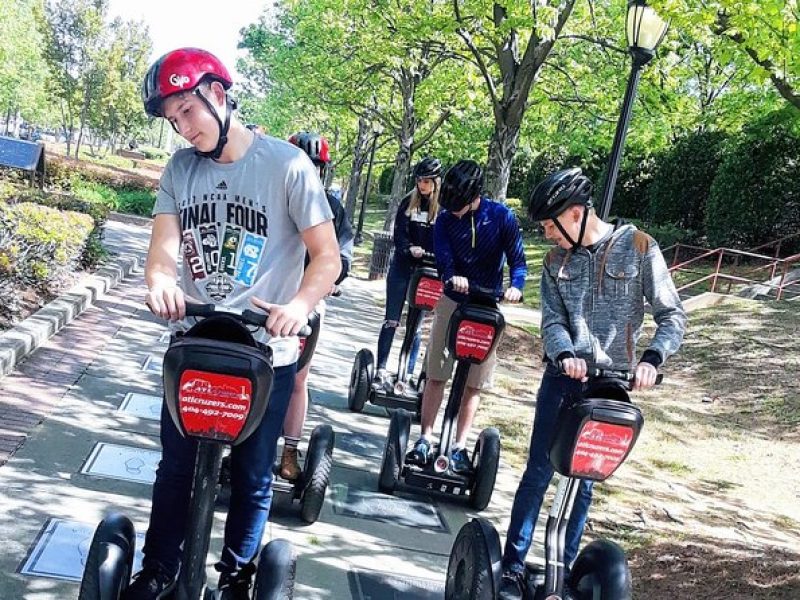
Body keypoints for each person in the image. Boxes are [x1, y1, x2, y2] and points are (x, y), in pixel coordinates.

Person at [128, 48, 340, 600]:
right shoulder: (180, 169)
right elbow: (161, 252)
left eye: (187, 112)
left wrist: (299, 306)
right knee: (175, 468)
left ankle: (240, 575)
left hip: (266, 346)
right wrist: (161, 284)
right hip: (196, 342)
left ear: (218, 96)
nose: (182, 128)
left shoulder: (288, 167)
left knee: (252, 472)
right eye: (172, 119)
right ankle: (158, 571)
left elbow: (327, 258)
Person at [497, 167, 687, 599]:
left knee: (584, 481)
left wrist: (653, 359)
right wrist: (564, 354)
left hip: (610, 389)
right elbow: (552, 321)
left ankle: (562, 571)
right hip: (563, 381)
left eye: (551, 225)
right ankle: (511, 569)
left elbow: (672, 314)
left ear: (578, 213)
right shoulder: (554, 261)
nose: (548, 235)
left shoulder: (639, 248)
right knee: (539, 472)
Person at [406, 159, 527, 474]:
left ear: (475, 196)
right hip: (453, 300)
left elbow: (518, 260)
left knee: (474, 382)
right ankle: (425, 438)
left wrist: (515, 286)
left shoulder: (501, 217)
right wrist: (451, 275)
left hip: (488, 305)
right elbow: (444, 257)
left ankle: (459, 446)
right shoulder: (446, 219)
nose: (454, 211)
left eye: (459, 206)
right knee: (436, 372)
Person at [280, 130, 354, 481]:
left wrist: (333, 280)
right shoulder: (272, 194)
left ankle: (290, 451)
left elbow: (343, 253)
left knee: (297, 378)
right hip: (267, 299)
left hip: (306, 303)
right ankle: (239, 445)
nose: (308, 171)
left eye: (315, 166)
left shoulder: (331, 208)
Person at [373, 156, 442, 386]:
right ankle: (381, 368)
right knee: (392, 320)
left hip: (426, 273)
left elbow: (444, 240)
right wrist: (408, 247)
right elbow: (399, 232)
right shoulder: (408, 202)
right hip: (402, 268)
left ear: (436, 182)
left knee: (416, 325)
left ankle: (408, 374)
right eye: (419, 180)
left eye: (426, 181)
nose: (422, 185)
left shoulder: (442, 211)